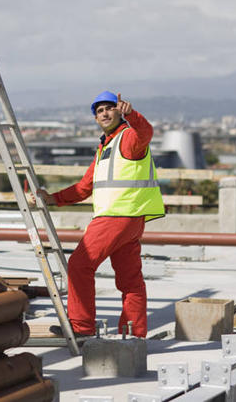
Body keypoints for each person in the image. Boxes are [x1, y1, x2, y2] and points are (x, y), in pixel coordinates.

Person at [36, 90, 164, 338]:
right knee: (131, 281)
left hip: (115, 218)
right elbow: (85, 187)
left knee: (79, 265)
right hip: (131, 221)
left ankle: (81, 326)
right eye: (99, 111)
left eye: (109, 108)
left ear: (119, 111)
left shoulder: (128, 137)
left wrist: (133, 115)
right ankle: (133, 334)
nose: (104, 113)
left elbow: (146, 133)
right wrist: (54, 198)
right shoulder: (106, 147)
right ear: (95, 118)